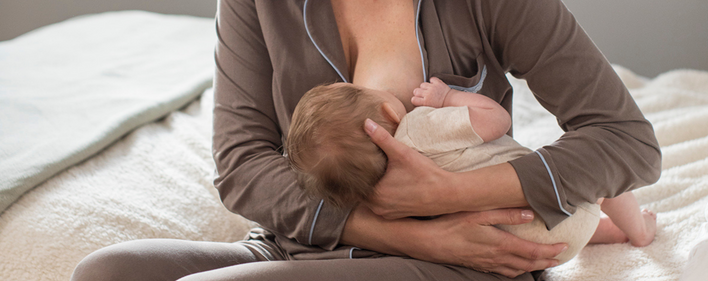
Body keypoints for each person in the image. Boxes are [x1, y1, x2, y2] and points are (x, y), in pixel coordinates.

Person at [70, 0, 662, 280]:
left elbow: (626, 141)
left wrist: (446, 197)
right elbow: (243, 166)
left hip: (474, 255)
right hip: (302, 246)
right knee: (106, 273)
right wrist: (399, 230)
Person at [285, 78, 656, 265]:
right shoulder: (419, 128)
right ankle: (636, 230)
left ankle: (598, 231)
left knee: (541, 216)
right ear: (388, 115)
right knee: (594, 168)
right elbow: (497, 119)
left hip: (526, 249)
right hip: (558, 209)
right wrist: (447, 98)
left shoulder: (382, 194)